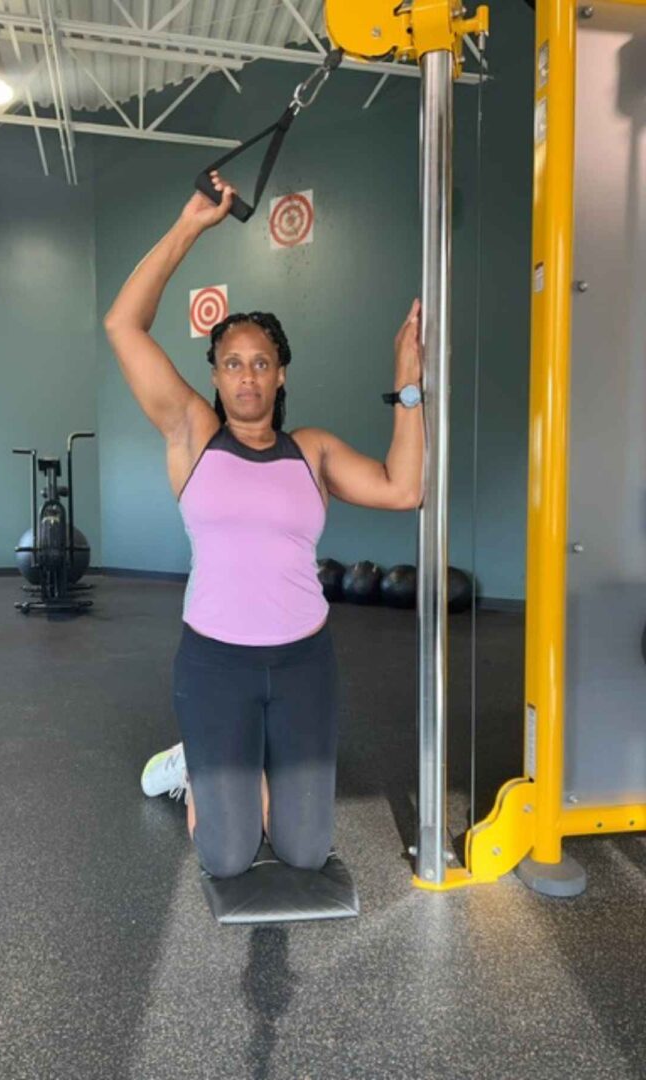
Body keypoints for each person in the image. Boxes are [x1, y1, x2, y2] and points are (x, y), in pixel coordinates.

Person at [104, 172, 424, 880]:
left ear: (280, 375)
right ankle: (199, 761)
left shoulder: (313, 450)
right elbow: (123, 325)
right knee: (226, 858)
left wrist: (408, 384)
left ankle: (253, 756)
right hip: (215, 664)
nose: (246, 376)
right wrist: (191, 225)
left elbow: (405, 488)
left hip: (304, 663)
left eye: (260, 363)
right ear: (216, 377)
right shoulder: (193, 434)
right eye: (231, 364)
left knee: (305, 852)